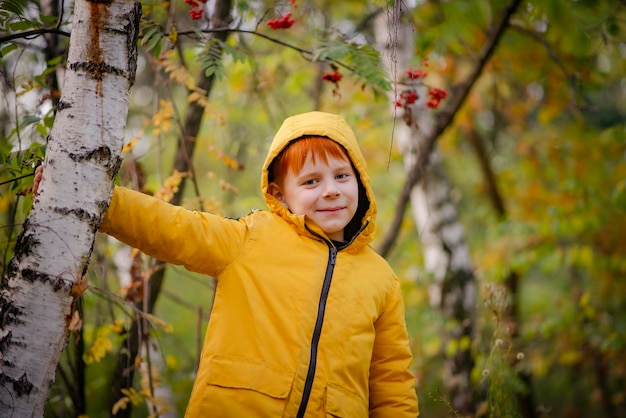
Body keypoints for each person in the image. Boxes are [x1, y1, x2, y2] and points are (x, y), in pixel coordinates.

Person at [35, 111, 419, 417]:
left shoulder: (380, 279)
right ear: (279, 194)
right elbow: (174, 229)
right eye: (311, 182)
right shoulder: (252, 238)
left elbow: (391, 381)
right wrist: (92, 198)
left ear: (360, 183)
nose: (331, 189)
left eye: (341, 176)